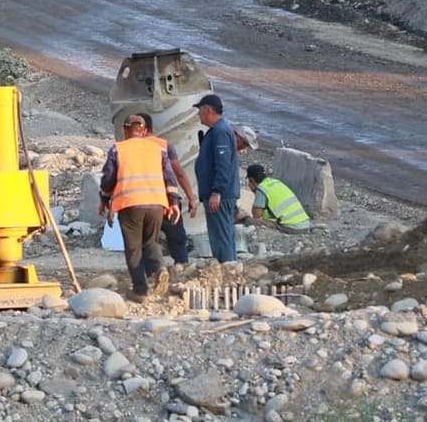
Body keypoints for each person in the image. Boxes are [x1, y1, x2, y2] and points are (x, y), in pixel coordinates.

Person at [98, 113, 197, 301]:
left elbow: (108, 179)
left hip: (130, 205)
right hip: (157, 204)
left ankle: (140, 290)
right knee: (151, 242)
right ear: (143, 130)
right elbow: (170, 177)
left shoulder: (118, 149)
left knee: (134, 248)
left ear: (125, 130)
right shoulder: (158, 149)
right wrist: (174, 202)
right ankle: (159, 268)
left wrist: (104, 200)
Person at [192, 93, 242, 262]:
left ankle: (227, 270)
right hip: (222, 194)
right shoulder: (220, 130)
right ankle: (230, 268)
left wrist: (216, 191)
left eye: (199, 110)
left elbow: (223, 164)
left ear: (208, 110)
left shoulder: (220, 132)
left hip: (220, 196)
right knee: (225, 235)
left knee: (221, 238)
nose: (198, 114)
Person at [242, 164, 312, 232]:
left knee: (249, 221)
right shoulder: (276, 182)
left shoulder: (262, 189)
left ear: (252, 180)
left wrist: (255, 191)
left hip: (292, 227)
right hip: (305, 224)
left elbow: (256, 215)